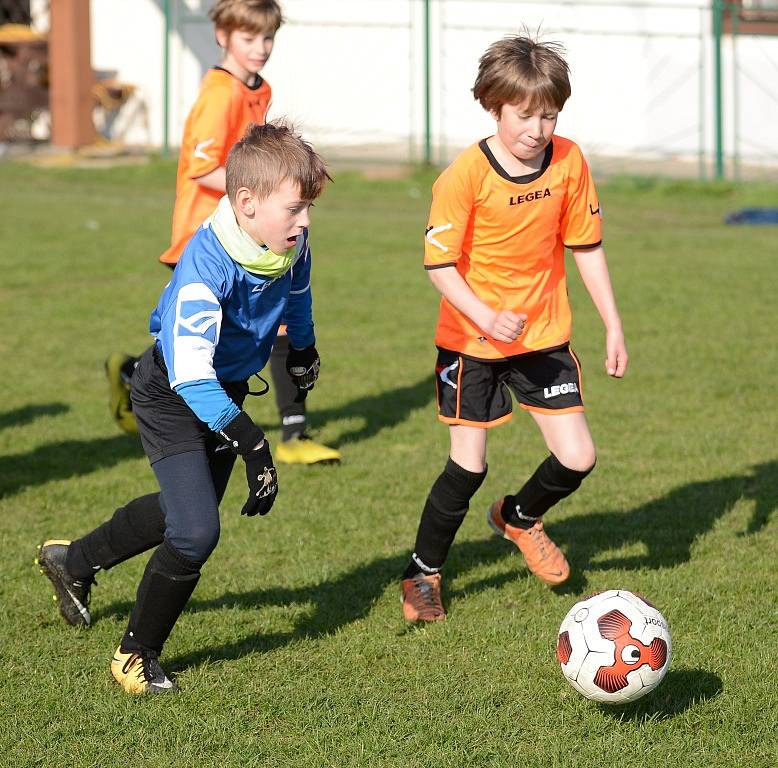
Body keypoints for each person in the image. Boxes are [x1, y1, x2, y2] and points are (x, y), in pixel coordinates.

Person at [37, 121, 330, 693]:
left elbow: (299, 292)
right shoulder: (205, 268)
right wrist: (254, 442)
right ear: (246, 202)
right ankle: (135, 656)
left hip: (225, 392)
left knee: (184, 515)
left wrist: (304, 346)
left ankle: (73, 562)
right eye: (295, 208)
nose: (305, 221)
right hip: (172, 394)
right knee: (196, 531)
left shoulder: (288, 245)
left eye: (308, 208)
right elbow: (193, 378)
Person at [400, 34, 628, 622]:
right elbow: (439, 265)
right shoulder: (464, 176)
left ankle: (519, 517)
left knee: (578, 457)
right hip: (472, 340)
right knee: (468, 466)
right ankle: (423, 574)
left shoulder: (571, 161)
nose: (538, 128)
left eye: (549, 115)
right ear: (494, 107)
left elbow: (587, 247)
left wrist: (613, 325)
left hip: (544, 334)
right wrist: (485, 314)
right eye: (525, 116)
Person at [105, 0, 340, 465]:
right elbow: (202, 169)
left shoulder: (259, 88)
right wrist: (260, 191)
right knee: (201, 348)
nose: (260, 48)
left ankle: (291, 433)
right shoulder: (221, 93)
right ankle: (141, 383)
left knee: (276, 325)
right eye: (248, 38)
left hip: (253, 234)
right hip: (209, 238)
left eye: (267, 37)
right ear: (222, 37)